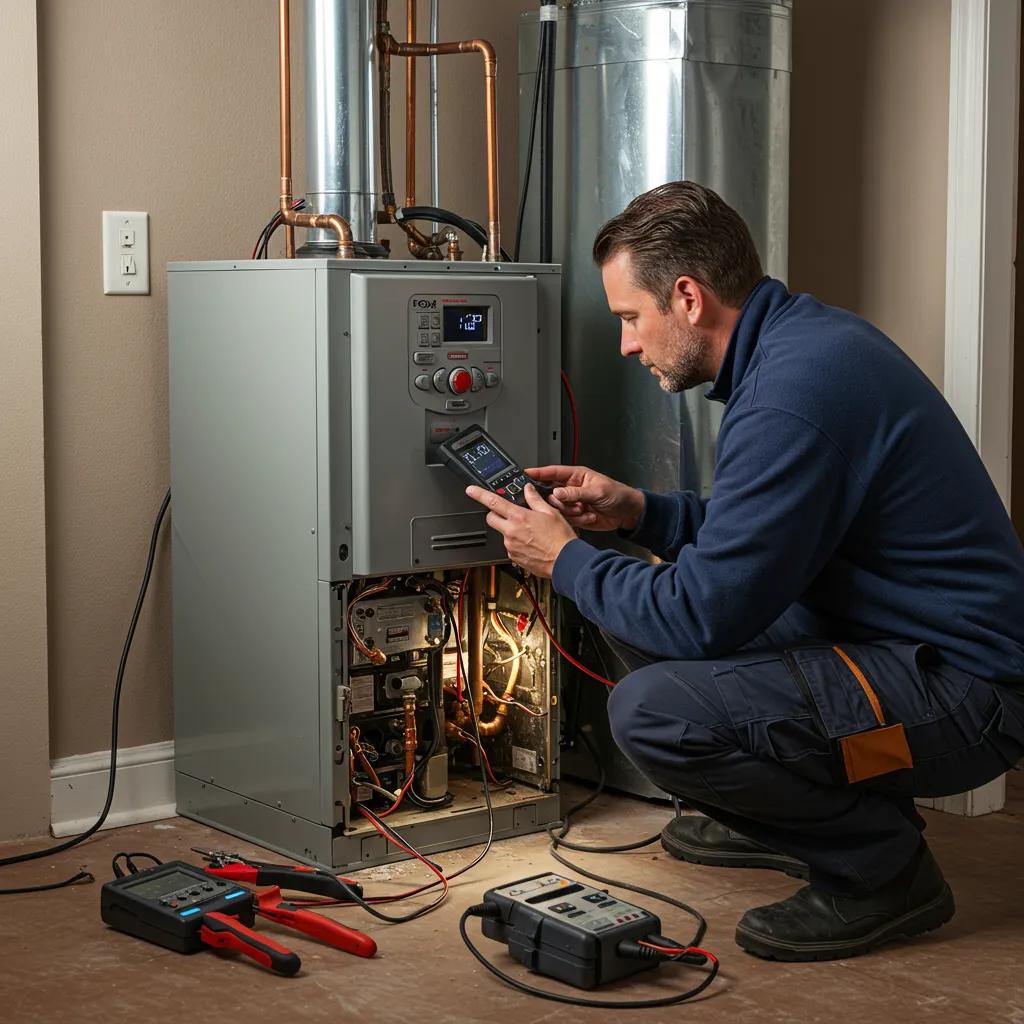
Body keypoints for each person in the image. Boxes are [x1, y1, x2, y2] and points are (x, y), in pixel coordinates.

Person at [465, 180, 1024, 962]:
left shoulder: (794, 395)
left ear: (688, 297)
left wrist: (564, 559)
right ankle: (776, 808)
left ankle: (883, 870)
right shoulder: (803, 348)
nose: (627, 344)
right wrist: (641, 513)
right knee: (625, 600)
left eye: (632, 317)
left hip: (964, 701)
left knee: (655, 711)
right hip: (897, 648)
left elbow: (702, 615)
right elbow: (765, 542)